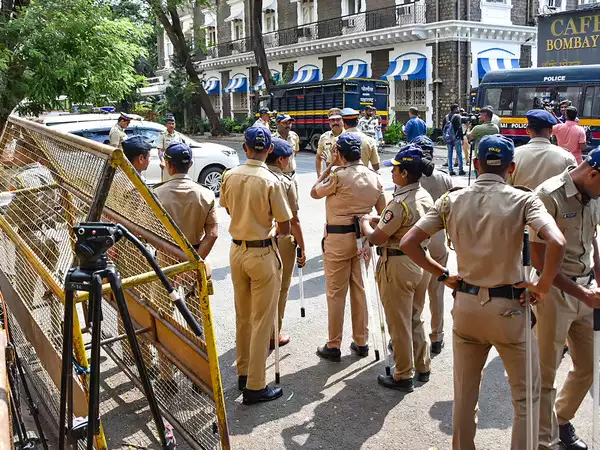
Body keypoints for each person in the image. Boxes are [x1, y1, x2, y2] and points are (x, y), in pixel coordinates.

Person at [399, 134, 566, 450]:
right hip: (510, 309)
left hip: (467, 306)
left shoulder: (452, 200)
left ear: (475, 164)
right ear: (511, 168)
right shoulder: (523, 200)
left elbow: (409, 242)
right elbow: (556, 241)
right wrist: (542, 286)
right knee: (526, 399)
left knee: (464, 396)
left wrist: (443, 274)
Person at [530, 148, 600, 450]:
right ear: (593, 173)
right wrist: (580, 291)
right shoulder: (548, 195)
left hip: (587, 291)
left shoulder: (593, 195)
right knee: (545, 372)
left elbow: (592, 241)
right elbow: (538, 259)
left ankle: (561, 419)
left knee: (587, 368)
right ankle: (544, 440)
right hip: (555, 293)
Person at [219, 126, 292, 405]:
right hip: (262, 253)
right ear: (270, 149)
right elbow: (284, 227)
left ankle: (243, 372)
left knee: (243, 316)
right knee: (262, 321)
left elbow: (227, 207)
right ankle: (255, 385)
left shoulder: (230, 175)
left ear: (245, 147)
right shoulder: (270, 180)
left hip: (237, 249)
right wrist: (268, 230)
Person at [359, 145, 435, 392]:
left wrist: (364, 225)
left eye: (395, 169)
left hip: (398, 263)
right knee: (415, 316)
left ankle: (403, 374)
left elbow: (377, 238)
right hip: (420, 260)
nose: (392, 173)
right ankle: (423, 365)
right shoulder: (424, 196)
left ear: (404, 174)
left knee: (399, 322)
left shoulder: (399, 203)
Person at [310, 133, 386, 362]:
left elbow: (314, 191)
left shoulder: (337, 176)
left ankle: (334, 344)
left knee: (335, 293)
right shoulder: (375, 178)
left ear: (340, 154)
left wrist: (330, 165)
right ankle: (361, 341)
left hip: (337, 241)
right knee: (360, 290)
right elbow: (382, 212)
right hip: (362, 240)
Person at [410, 135, 453, 353]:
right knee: (437, 292)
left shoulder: (411, 176)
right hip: (439, 241)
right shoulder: (444, 178)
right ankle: (437, 336)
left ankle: (411, 335)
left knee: (414, 294)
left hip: (417, 242)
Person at [265, 138, 306, 349]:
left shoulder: (248, 176)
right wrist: (303, 247)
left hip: (249, 240)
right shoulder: (285, 182)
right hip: (279, 239)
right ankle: (273, 334)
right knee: (280, 289)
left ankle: (256, 333)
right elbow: (293, 220)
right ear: (281, 159)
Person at [154, 142, 218, 260]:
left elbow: (148, 232)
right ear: (190, 165)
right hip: (195, 255)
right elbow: (212, 234)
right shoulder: (206, 194)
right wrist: (195, 262)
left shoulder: (156, 194)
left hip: (165, 259)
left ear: (168, 164)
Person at [508, 110, 577, 190]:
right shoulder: (566, 157)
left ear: (527, 130)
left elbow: (505, 188)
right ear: (551, 130)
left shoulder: (513, 155)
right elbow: (574, 190)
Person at [316, 108, 344, 177]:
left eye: (338, 120)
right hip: (330, 176)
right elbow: (318, 157)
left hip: (345, 177)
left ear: (343, 120)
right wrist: (319, 175)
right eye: (332, 120)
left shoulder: (349, 136)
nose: (335, 123)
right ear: (329, 122)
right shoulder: (324, 137)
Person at [274, 113, 300, 180]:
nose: (288, 125)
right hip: (278, 176)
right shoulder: (273, 139)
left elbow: (295, 153)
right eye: (285, 123)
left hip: (293, 175)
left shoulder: (294, 136)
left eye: (290, 123)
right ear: (277, 124)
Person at [442, 104, 465, 176]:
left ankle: (450, 169)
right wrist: (462, 138)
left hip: (449, 138)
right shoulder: (457, 116)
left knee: (450, 154)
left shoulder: (446, 117)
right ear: (455, 109)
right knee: (459, 153)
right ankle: (460, 169)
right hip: (456, 138)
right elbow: (459, 128)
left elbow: (443, 128)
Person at [157, 115, 183, 181]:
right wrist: (162, 160)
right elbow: (160, 150)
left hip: (176, 163)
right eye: (169, 123)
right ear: (166, 125)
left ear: (175, 125)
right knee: (166, 182)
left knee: (176, 181)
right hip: (167, 163)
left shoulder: (178, 135)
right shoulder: (162, 135)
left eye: (172, 124)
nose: (171, 125)